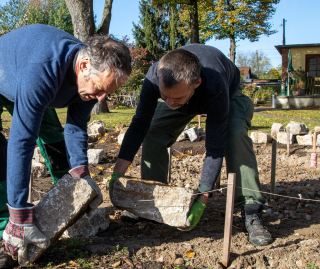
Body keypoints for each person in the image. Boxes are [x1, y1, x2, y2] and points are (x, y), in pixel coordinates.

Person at [0, 24, 132, 269]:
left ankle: (67, 209)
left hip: (27, 79)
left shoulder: (89, 84)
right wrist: (20, 213)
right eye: (101, 89)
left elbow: (75, 127)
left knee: (53, 135)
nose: (101, 98)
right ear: (83, 65)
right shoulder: (44, 70)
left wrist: (81, 177)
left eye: (107, 92)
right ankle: (8, 229)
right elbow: (22, 141)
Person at [110, 45, 272, 246]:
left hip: (227, 94)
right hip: (182, 92)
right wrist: (117, 174)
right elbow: (138, 125)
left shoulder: (215, 85)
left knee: (234, 135)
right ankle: (151, 203)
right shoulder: (155, 78)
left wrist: (202, 198)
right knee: (153, 132)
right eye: (164, 96)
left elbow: (215, 148)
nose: (168, 103)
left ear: (196, 83)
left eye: (175, 97)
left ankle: (251, 209)